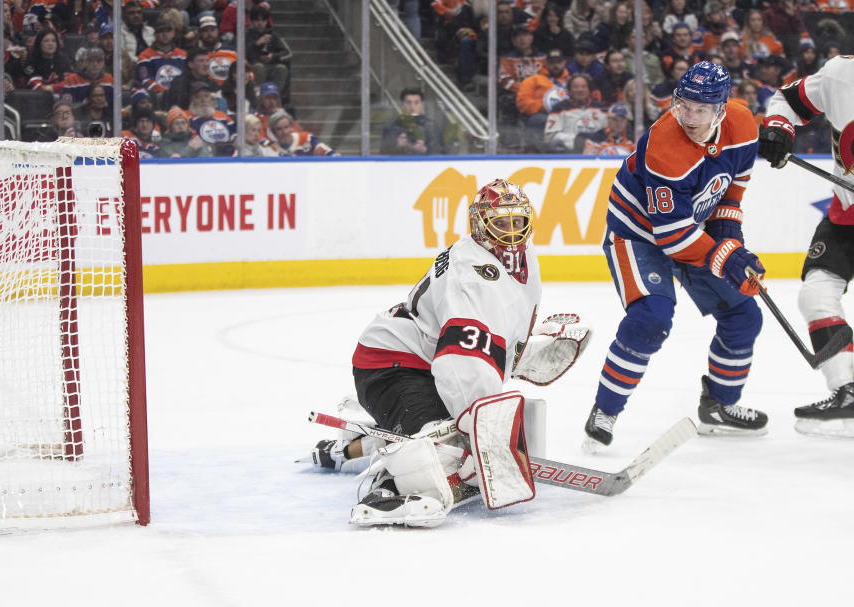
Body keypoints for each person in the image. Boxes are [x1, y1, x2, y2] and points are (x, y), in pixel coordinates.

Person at [307, 179, 588, 527]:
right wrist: (476, 425)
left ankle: (358, 444)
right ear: (480, 225)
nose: (512, 233)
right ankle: (387, 485)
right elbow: (459, 362)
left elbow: (492, 335)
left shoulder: (519, 257)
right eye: (501, 223)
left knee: (448, 435)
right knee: (443, 451)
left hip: (427, 364)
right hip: (389, 366)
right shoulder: (470, 274)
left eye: (518, 221)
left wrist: (522, 355)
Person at [582, 61, 769, 450]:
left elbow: (730, 194)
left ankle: (720, 404)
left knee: (744, 315)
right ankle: (606, 410)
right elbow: (673, 237)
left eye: (700, 109)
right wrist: (728, 259)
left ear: (722, 109)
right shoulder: (665, 145)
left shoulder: (743, 125)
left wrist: (730, 242)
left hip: (690, 230)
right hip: (637, 234)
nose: (688, 116)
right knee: (650, 319)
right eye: (682, 105)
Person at [757, 55, 854, 437]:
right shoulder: (841, 74)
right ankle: (847, 391)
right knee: (815, 296)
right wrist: (779, 128)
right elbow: (786, 101)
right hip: (846, 215)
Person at [543, 73, 607, 153]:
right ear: (569, 91)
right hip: (569, 154)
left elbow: (609, 133)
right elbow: (549, 137)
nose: (580, 90)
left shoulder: (599, 108)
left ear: (588, 90)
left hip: (597, 154)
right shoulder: (559, 109)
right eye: (576, 87)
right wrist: (576, 141)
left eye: (583, 87)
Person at [246, 4, 292, 101]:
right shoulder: (248, 34)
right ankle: (260, 99)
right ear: (252, 21)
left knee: (281, 68)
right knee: (259, 67)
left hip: (270, 65)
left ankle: (275, 98)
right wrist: (257, 43)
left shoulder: (272, 34)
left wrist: (273, 56)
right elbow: (243, 52)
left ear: (267, 21)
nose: (260, 23)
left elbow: (286, 52)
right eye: (257, 20)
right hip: (252, 66)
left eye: (263, 20)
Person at [380, 87, 442, 155]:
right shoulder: (391, 128)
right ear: (402, 105)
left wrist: (425, 150)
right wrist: (397, 147)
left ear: (422, 105)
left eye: (416, 103)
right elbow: (383, 154)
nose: (412, 107)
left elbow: (440, 153)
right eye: (408, 103)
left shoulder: (431, 126)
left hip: (424, 165)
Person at [136, 19, 186, 95]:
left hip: (181, 94)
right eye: (161, 31)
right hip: (158, 96)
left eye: (168, 31)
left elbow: (188, 78)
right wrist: (166, 93)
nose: (165, 34)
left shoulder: (183, 55)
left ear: (173, 33)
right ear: (155, 35)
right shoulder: (145, 56)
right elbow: (146, 81)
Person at [269, 110, 336, 156]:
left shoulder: (306, 138)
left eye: (286, 127)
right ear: (273, 131)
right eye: (279, 129)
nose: (284, 132)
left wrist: (334, 156)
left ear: (291, 127)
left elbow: (324, 150)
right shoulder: (271, 149)